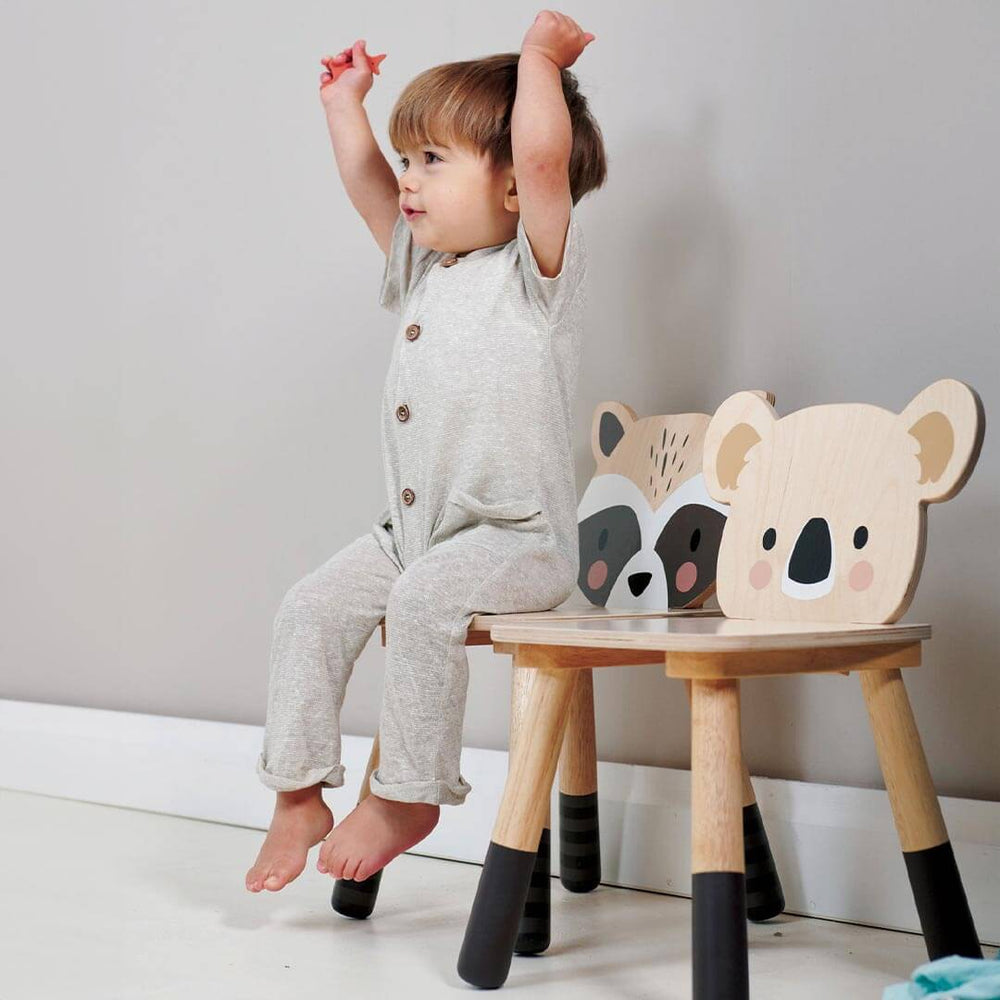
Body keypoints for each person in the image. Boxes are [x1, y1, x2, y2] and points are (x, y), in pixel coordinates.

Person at [246, 10, 607, 894]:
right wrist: (343, 106)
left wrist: (538, 64)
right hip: (416, 536)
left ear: (514, 187)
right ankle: (298, 794)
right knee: (308, 609)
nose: (408, 182)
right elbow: (368, 187)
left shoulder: (534, 275)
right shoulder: (422, 267)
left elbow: (546, 159)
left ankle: (409, 794)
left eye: (433, 161)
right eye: (410, 160)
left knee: (421, 601)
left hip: (517, 539)